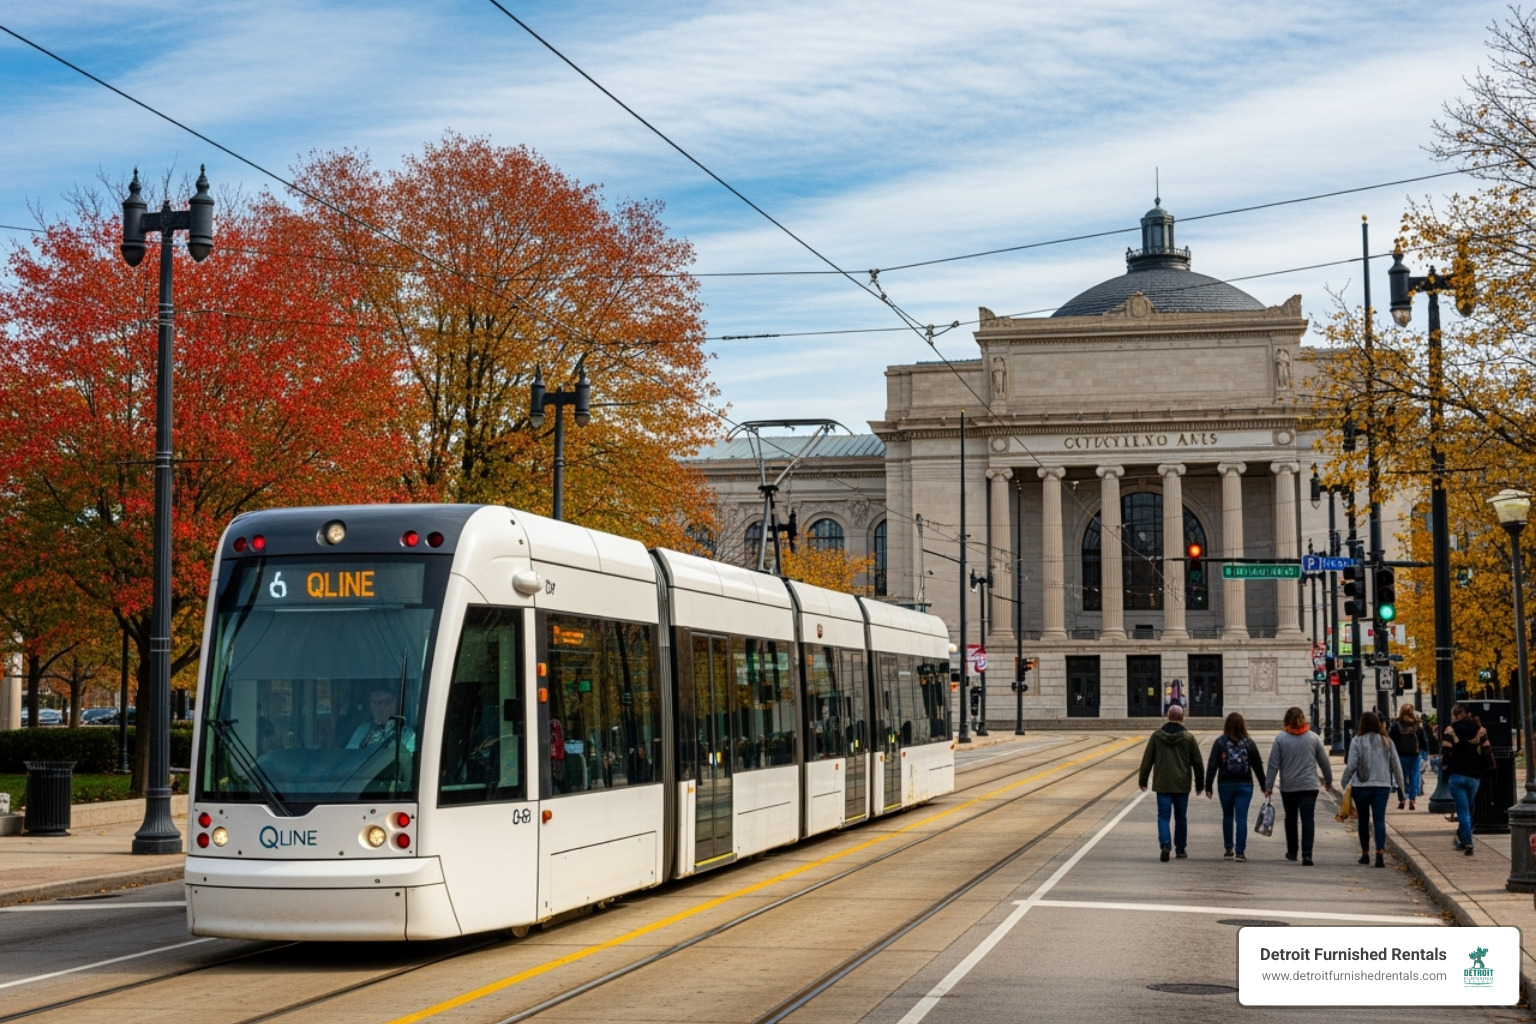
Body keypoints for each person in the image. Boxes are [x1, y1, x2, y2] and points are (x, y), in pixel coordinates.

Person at [1263, 706, 1334, 865]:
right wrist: (1328, 780)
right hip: (1309, 786)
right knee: (1308, 818)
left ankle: (1293, 851)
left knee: (1291, 818)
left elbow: (1273, 765)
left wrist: (1268, 786)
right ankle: (1307, 853)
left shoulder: (1280, 739)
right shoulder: (1314, 738)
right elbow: (1324, 762)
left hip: (1289, 787)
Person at [1138, 704, 1205, 861]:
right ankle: (1180, 849)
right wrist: (1200, 784)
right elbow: (1198, 762)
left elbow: (1147, 760)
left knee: (1163, 817)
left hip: (1163, 783)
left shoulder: (1156, 736)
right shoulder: (1188, 737)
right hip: (1182, 784)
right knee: (1181, 817)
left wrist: (1143, 780)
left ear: (1168, 716)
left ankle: (1166, 844)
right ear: (1182, 718)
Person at [1341, 711, 1406, 868]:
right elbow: (1397, 767)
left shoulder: (1357, 741)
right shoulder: (1387, 741)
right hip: (1382, 786)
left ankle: (1365, 854)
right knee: (1379, 820)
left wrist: (1344, 783)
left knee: (1363, 820)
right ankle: (1379, 854)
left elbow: (1351, 765)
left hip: (1361, 786)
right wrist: (1402, 792)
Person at [1204, 712, 1265, 862]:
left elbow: (1212, 765)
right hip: (1245, 785)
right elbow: (1257, 765)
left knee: (1228, 815)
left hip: (1225, 784)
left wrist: (1208, 785)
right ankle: (1240, 852)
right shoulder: (1249, 743)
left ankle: (1228, 848)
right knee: (1241, 818)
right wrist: (1264, 785)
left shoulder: (1220, 742)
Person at [1441, 703, 1492, 856]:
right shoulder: (1479, 730)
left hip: (1456, 775)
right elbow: (1486, 752)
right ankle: (1463, 838)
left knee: (1463, 811)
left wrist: (1445, 769)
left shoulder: (1450, 730)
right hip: (1474, 776)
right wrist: (1487, 769)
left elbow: (1446, 753)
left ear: (1455, 715)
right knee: (1469, 809)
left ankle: (1468, 841)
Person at [347, 687, 418, 753]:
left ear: (394, 704)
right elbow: (350, 755)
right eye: (373, 702)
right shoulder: (362, 730)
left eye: (382, 703)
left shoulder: (407, 733)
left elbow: (409, 761)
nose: (377, 708)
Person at [1389, 703, 1431, 810]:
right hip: (1415, 755)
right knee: (1415, 777)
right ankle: (1412, 800)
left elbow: (1391, 741)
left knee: (1401, 777)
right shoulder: (1417, 724)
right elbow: (1423, 740)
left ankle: (1402, 799)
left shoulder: (1396, 725)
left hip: (1401, 755)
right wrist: (1425, 752)